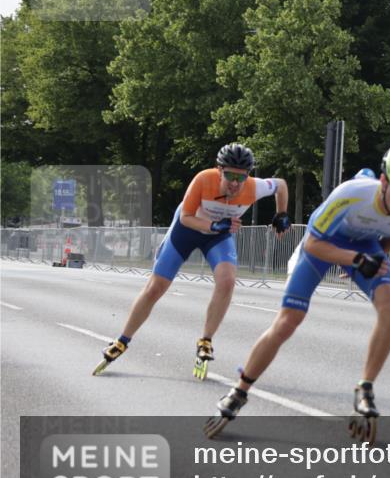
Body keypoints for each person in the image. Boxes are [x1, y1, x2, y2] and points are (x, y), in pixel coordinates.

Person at [204, 140, 390, 439]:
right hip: (321, 244)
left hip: (364, 245)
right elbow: (313, 244)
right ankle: (239, 391)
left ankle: (364, 389)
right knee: (288, 321)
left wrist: (373, 258)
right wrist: (352, 259)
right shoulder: (351, 195)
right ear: (384, 181)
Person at [94, 143, 289, 379]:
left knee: (227, 282)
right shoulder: (203, 180)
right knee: (156, 288)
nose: (235, 183)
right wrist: (215, 225)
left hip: (218, 236)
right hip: (187, 231)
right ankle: (122, 340)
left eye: (241, 177)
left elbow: (281, 185)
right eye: (229, 176)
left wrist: (281, 214)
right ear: (219, 171)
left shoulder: (254, 187)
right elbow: (186, 218)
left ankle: (205, 341)